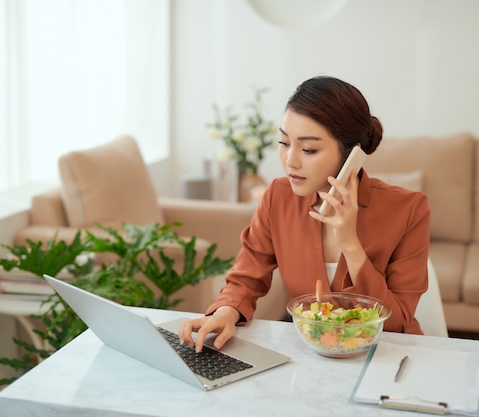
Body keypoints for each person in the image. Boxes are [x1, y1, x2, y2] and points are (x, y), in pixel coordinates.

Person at [179, 76, 430, 352]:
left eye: (308, 149)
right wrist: (224, 313)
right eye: (284, 143)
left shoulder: (409, 209)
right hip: (313, 357)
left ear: (351, 154)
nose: (290, 161)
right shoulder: (278, 196)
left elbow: (397, 323)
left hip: (387, 358)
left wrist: (350, 244)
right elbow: (246, 278)